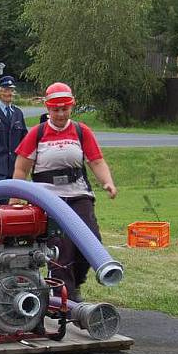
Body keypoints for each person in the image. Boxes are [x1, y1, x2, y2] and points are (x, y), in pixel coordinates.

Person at [13, 82, 117, 302]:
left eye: (64, 109)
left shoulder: (81, 131)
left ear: (72, 106)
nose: (60, 114)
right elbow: (21, 168)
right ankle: (64, 297)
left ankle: (77, 282)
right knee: (62, 249)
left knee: (90, 242)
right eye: (55, 110)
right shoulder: (37, 133)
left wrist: (107, 182)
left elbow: (96, 161)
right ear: (48, 108)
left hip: (78, 194)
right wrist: (16, 197)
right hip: (48, 198)